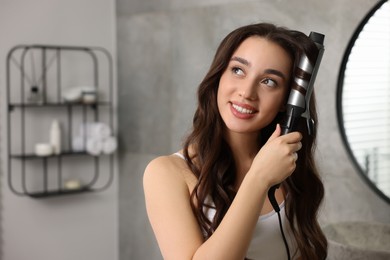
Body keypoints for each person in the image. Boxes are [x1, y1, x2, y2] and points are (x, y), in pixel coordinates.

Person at [143, 22, 327, 260]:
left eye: (269, 81)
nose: (247, 92)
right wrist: (258, 178)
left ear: (287, 101)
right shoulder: (167, 173)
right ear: (219, 76)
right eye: (238, 70)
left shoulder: (287, 167)